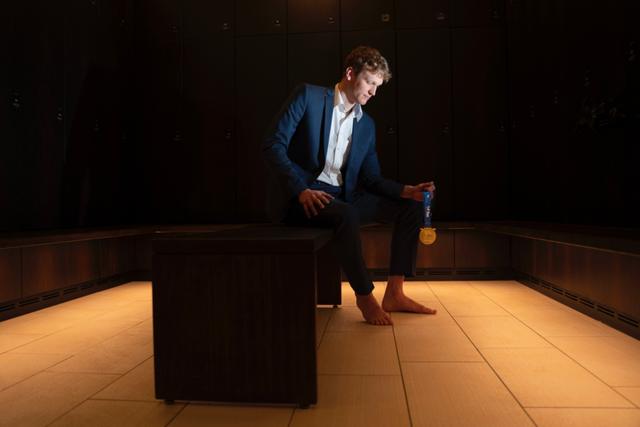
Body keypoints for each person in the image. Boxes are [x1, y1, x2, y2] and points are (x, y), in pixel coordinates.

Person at [262, 46, 437, 325]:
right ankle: (365, 296)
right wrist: (300, 190)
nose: (373, 92)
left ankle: (395, 292)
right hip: (303, 196)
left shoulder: (366, 124)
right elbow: (273, 144)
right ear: (349, 73)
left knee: (410, 207)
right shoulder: (308, 96)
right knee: (347, 214)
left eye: (377, 86)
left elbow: (371, 179)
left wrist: (407, 190)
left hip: (342, 197)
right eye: (369, 82)